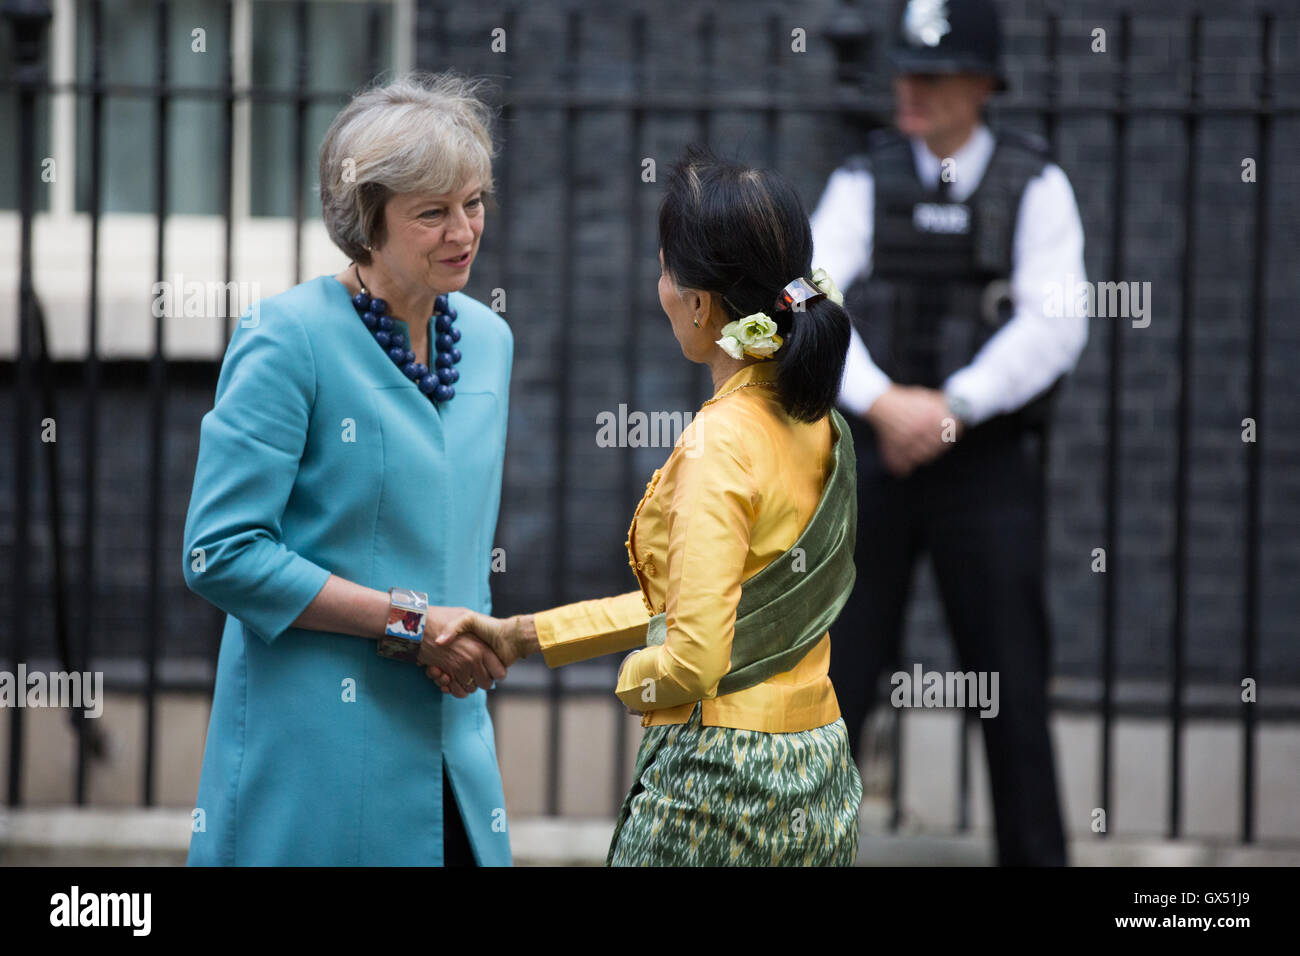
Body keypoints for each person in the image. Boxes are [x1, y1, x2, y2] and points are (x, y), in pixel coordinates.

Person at [429, 147, 863, 866]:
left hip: (719, 789)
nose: (658, 286)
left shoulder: (719, 444)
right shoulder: (817, 421)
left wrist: (635, 681)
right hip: (817, 772)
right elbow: (708, 602)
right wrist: (524, 636)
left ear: (697, 301)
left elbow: (690, 658)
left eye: (665, 268)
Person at [182, 72, 514, 866]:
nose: (463, 231)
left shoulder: (489, 339)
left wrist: (473, 640)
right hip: (318, 752)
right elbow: (220, 553)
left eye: (472, 202)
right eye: (432, 212)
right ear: (364, 222)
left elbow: (462, 542)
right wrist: (412, 623)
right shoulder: (286, 338)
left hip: (451, 745)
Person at [810, 0, 1087, 866]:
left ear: (980, 84)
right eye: (905, 70)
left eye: (931, 73)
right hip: (871, 460)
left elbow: (1057, 324)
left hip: (987, 467)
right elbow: (809, 301)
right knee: (837, 677)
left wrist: (953, 407)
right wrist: (888, 403)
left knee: (1010, 680)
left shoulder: (1035, 184)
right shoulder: (862, 178)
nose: (910, 89)